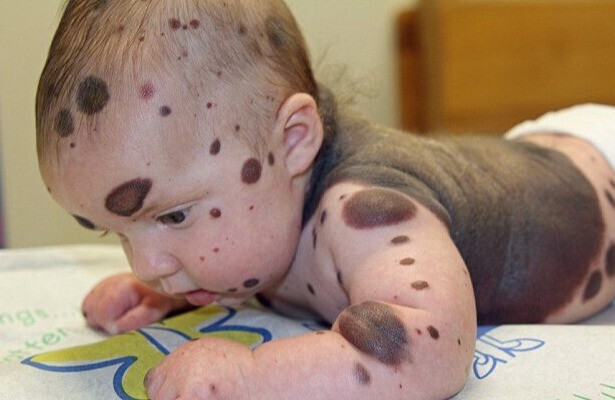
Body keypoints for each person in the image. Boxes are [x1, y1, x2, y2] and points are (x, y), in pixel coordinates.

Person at [35, 0, 615, 398]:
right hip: (535, 150)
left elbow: (429, 348)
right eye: (117, 231)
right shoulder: (261, 201)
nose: (146, 265)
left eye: (173, 216)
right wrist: (169, 294)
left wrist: (254, 377)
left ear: (294, 141)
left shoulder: (365, 211)